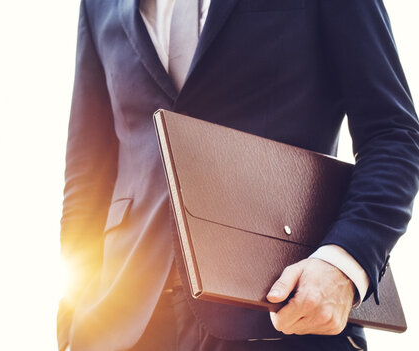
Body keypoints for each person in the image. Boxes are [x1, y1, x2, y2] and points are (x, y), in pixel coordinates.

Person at [58, 0, 419, 350]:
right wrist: (70, 323)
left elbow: (392, 133)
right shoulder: (96, 4)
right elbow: (86, 174)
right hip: (121, 323)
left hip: (280, 311)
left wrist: (344, 262)